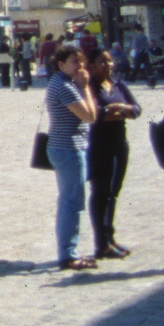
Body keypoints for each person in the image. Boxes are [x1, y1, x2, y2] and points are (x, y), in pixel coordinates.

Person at [45, 45, 98, 270]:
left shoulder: (61, 82)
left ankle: (68, 250)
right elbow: (90, 116)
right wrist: (85, 88)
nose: (80, 66)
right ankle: (68, 254)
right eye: (75, 62)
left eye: (81, 61)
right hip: (69, 148)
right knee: (72, 202)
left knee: (68, 200)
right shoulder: (66, 87)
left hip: (63, 146)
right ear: (61, 64)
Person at [85, 49, 140, 260]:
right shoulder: (90, 87)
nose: (108, 66)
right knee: (100, 192)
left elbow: (136, 109)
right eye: (102, 62)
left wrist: (123, 109)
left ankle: (110, 237)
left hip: (120, 143)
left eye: (110, 62)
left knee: (114, 192)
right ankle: (101, 244)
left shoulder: (118, 85)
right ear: (91, 66)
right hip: (99, 144)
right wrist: (112, 112)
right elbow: (93, 114)